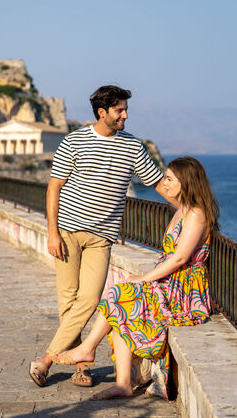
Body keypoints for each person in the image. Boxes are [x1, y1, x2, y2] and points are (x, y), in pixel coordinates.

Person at [29, 84, 168, 388]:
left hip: (101, 238)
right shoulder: (74, 141)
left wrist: (190, 205)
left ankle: (46, 360)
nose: (125, 116)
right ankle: (81, 366)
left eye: (125, 109)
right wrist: (52, 233)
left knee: (89, 299)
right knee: (68, 300)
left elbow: (158, 182)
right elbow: (54, 187)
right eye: (119, 110)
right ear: (102, 112)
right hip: (66, 232)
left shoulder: (132, 146)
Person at [50, 156, 219, 400]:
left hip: (183, 292)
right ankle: (122, 382)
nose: (165, 183)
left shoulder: (196, 214)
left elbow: (180, 259)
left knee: (120, 295)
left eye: (170, 179)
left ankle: (88, 350)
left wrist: (143, 279)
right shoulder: (182, 210)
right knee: (119, 301)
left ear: (187, 182)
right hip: (170, 283)